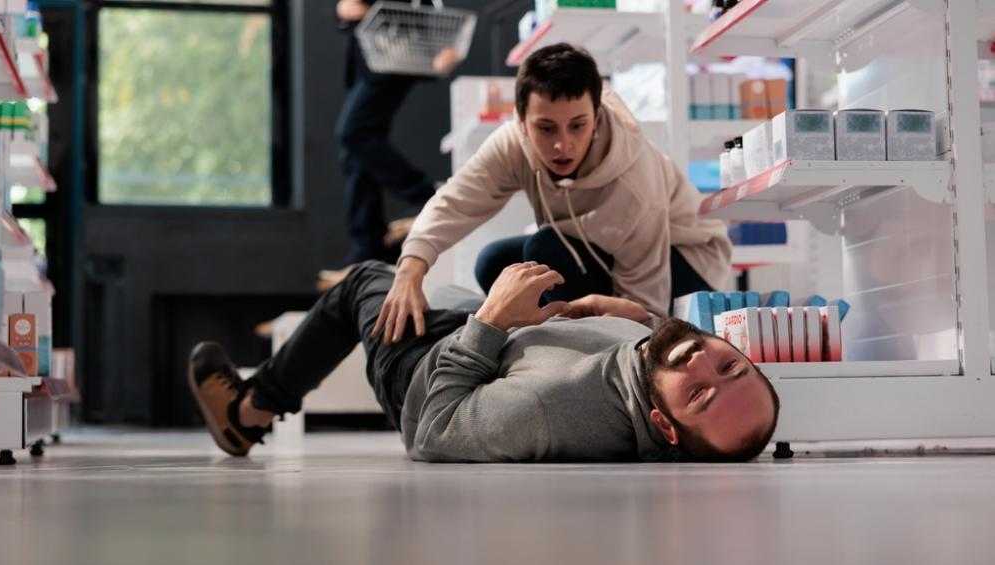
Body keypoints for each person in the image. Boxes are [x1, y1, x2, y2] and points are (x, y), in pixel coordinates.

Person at [187, 261, 780, 463]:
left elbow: (433, 431)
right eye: (731, 367)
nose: (704, 361)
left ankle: (249, 412)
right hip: (493, 342)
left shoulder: (550, 412)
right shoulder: (657, 367)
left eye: (698, 394)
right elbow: (677, 364)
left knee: (363, 283)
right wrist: (640, 324)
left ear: (662, 425)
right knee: (416, 281)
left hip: (421, 370)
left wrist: (491, 321)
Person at [375, 43, 733, 345]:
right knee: (496, 263)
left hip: (686, 267)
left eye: (578, 125)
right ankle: (555, 340)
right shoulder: (513, 143)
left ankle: (568, 359)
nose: (563, 144)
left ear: (597, 115)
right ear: (521, 120)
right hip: (601, 253)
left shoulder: (634, 183)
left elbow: (646, 303)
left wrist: (618, 326)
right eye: (545, 128)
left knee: (545, 252)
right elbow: (456, 202)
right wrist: (409, 270)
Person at [335, 0, 438, 264]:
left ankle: (427, 197)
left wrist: (361, 7)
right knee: (355, 153)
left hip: (392, 44)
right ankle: (368, 249)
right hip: (369, 45)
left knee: (354, 133)